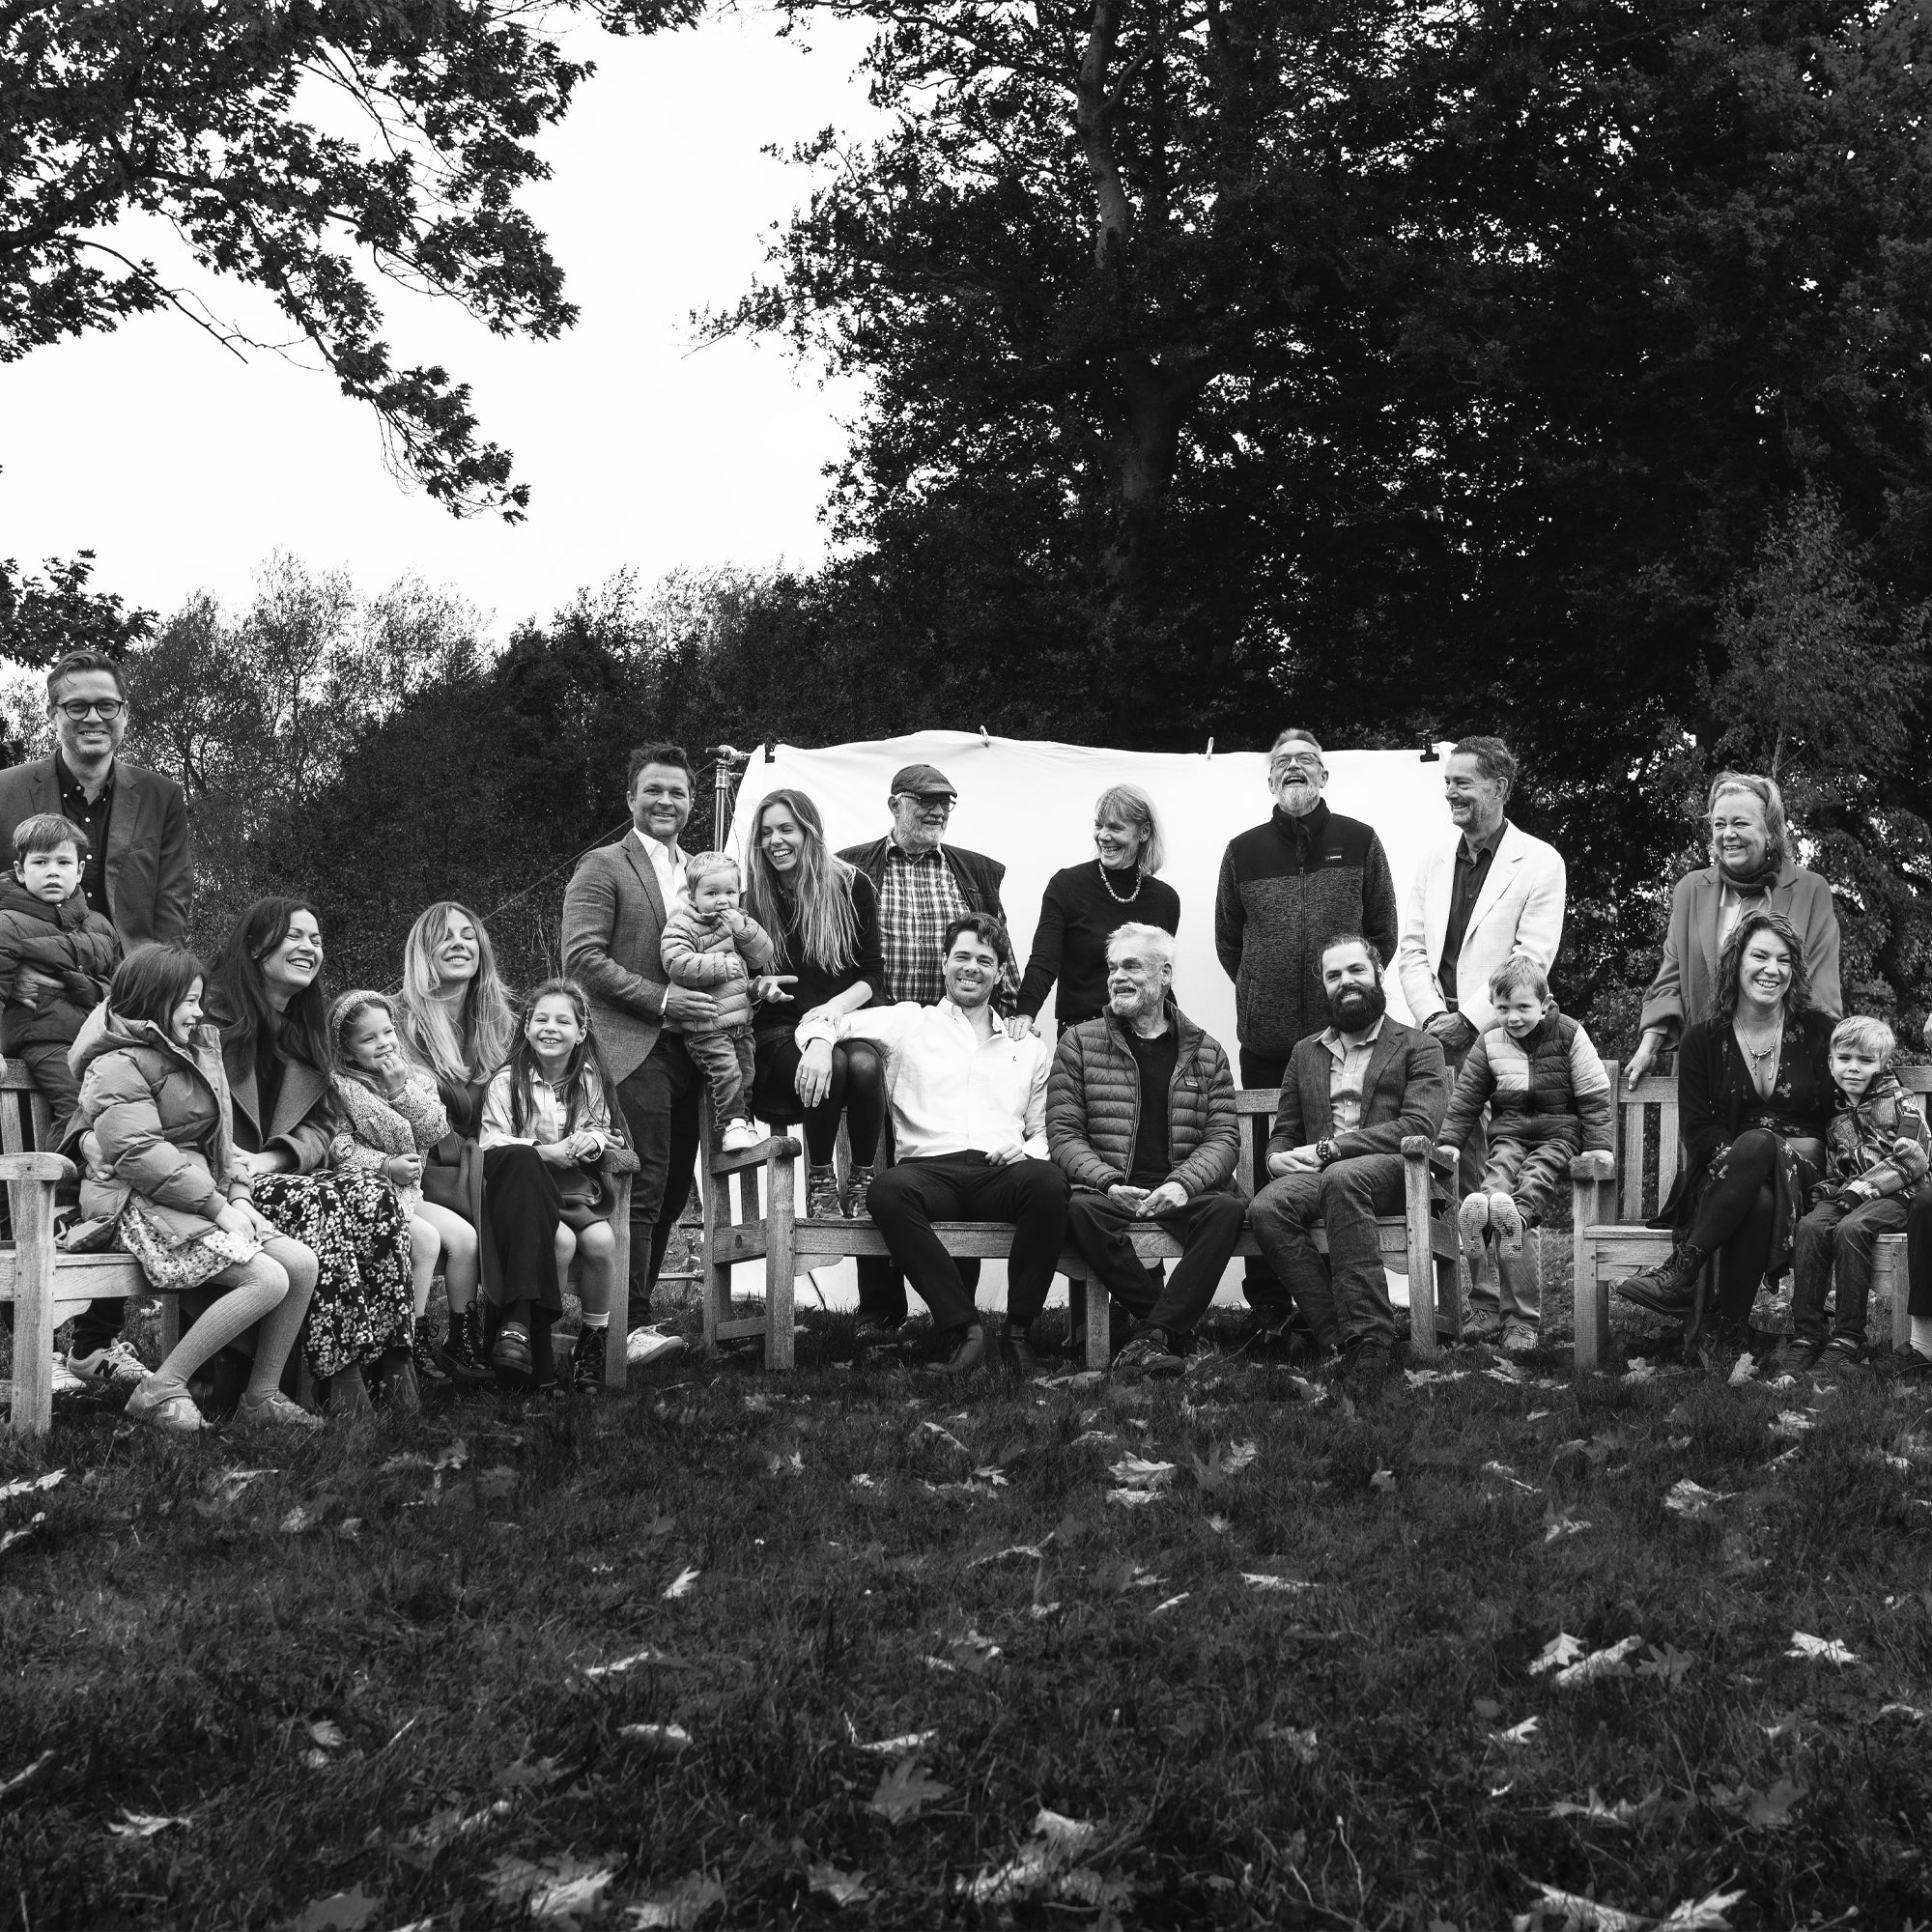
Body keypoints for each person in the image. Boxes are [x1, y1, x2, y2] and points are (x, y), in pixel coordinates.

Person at [0, 648, 192, 1394]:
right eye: (75, 705)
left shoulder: (160, 795)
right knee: (60, 1149)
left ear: (125, 715)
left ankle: (95, 1342)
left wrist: (149, 997)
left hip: (127, 1009)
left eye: (104, 705)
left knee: (134, 1151)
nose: (91, 717)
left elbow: (168, 904)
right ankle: (41, 1338)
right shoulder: (10, 789)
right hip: (33, 1010)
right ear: (52, 715)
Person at [797, 912, 1067, 1377]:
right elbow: (824, 1021)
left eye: (985, 960)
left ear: (1000, 972)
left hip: (999, 1172)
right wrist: (820, 1046)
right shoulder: (910, 1022)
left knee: (1048, 1182)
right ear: (944, 962)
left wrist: (1026, 1152)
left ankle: (1019, 1334)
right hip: (929, 1172)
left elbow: (1042, 1130)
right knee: (886, 1191)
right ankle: (967, 1332)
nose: (971, 967)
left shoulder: (1029, 1048)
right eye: (961, 956)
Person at [66, 944, 320, 1435]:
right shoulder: (115, 1064)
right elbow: (140, 1156)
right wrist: (220, 1207)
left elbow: (219, 1142)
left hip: (196, 1197)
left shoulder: (195, 1050)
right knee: (265, 1279)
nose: (199, 1011)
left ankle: (260, 1397)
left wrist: (241, 1196)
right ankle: (161, 1388)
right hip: (137, 1206)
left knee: (301, 1264)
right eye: (188, 1001)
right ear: (155, 1000)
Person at [1214, 729, 1400, 1335]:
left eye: (1306, 762)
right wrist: (1259, 988)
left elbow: (1382, 933)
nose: (1294, 770)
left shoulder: (1360, 841)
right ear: (1269, 780)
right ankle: (1269, 1299)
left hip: (1341, 1041)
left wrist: (1344, 1001)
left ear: (1325, 776)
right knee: (1271, 1161)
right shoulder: (1241, 852)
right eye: (1282, 763)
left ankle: (1335, 1295)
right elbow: (1228, 942)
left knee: (1340, 1155)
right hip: (1266, 1044)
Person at [208, 897, 418, 1416]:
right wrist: (239, 1164)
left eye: (317, 939)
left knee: (372, 1190)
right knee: (322, 1202)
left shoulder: (304, 1032)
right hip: (215, 1183)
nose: (309, 948)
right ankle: (341, 1377)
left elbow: (321, 1126)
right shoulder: (209, 1019)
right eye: (295, 936)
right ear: (256, 946)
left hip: (272, 1174)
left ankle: (394, 1361)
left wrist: (272, 1159)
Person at [1396, 735, 1567, 1332]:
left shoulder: (1540, 861)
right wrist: (1430, 1020)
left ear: (1497, 787)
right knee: (1465, 1174)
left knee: (1511, 1169)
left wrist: (1467, 1017)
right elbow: (1411, 949)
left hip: (1508, 1034)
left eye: (1462, 782)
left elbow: (1532, 957)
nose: (1450, 793)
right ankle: (1483, 1304)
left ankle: (1522, 1315)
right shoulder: (1433, 860)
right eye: (1447, 783)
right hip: (1437, 1040)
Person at [1613, 910, 1834, 1370]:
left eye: (1784, 960)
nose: (1772, 969)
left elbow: (1839, 1111)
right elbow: (1697, 1127)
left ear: (1794, 971)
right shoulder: (1702, 1040)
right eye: (1760, 955)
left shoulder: (1818, 1032)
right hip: (1724, 1176)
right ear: (1736, 961)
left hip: (1808, 1180)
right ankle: (1730, 1331)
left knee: (1759, 1143)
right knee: (1757, 1190)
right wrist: (1741, 1160)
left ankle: (1683, 1272)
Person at [838, 763, 1008, 1346]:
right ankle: (879, 1310)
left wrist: (1005, 1018)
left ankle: (952, 1313)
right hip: (877, 1039)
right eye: (926, 802)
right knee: (875, 1170)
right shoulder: (851, 866)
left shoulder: (973, 871)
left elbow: (992, 946)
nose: (938, 812)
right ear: (894, 804)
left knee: (961, 1155)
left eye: (946, 804)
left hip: (952, 1039)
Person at [1245, 935, 1449, 1394]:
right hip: (1323, 1173)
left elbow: (1417, 1126)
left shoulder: (1419, 1046)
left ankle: (1372, 1335)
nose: (1345, 982)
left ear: (1377, 972)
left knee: (1342, 1176)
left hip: (1397, 1171)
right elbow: (1286, 1129)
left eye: (1355, 970)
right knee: (1265, 1208)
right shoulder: (1306, 1052)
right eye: (1333, 975)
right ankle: (1338, 1337)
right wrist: (1276, 1159)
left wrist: (1333, 1150)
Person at [1047, 923, 1244, 1377]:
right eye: (1113, 967)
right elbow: (1064, 1133)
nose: (1118, 976)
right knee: (1076, 1212)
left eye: (1132, 965)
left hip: (1182, 1192)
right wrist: (1108, 1182)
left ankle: (1151, 1334)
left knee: (1227, 1213)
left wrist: (1181, 1184)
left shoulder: (1206, 1051)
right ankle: (1169, 1330)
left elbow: (1223, 1138)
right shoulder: (1079, 1042)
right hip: (1110, 1192)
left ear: (1165, 974)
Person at [562, 743, 707, 1328]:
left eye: (677, 791)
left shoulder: (702, 871)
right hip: (631, 1044)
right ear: (630, 799)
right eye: (654, 789)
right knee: (641, 1180)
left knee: (675, 1186)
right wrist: (662, 998)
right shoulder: (604, 865)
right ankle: (627, 1323)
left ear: (692, 802)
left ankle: (633, 1310)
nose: (666, 800)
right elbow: (582, 958)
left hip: (695, 1048)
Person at [1435, 956, 1612, 1355]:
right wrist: (1449, 1140)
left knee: (1532, 1180)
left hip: (1557, 1135)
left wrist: (1599, 1145)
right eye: (1502, 1009)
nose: (1512, 1018)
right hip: (1510, 1133)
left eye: (1522, 1008)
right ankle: (1484, 1238)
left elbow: (1594, 1096)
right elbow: (1466, 1098)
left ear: (1545, 1003)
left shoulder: (1569, 1034)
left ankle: (1517, 1234)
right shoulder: (1490, 1041)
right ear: (1492, 1007)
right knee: (1492, 1187)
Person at [1626, 772, 1842, 1085]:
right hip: (1704, 1077)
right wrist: (1649, 1045)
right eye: (1719, 824)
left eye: (1740, 823)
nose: (1728, 834)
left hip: (1779, 1079)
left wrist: (1804, 1073)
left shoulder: (1811, 890)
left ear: (1770, 831)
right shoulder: (1689, 890)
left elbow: (1821, 995)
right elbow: (1670, 981)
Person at [479, 980, 633, 1395]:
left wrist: (593, 1140)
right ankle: (536, 1344)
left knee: (601, 1242)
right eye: (541, 1018)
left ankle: (593, 1340)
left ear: (580, 1032)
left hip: (576, 1188)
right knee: (560, 1243)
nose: (551, 1028)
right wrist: (544, 1151)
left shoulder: (589, 1079)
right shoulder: (507, 1082)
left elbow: (603, 1127)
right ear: (526, 1026)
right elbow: (491, 1142)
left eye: (563, 1021)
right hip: (530, 1192)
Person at [328, 989, 487, 1387]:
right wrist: (383, 1165)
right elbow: (336, 1146)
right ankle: (408, 1342)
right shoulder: (339, 1086)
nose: (384, 1043)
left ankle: (462, 1340)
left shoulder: (414, 1078)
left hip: (410, 1196)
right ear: (347, 1050)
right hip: (367, 1196)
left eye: (387, 1032)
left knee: (466, 1240)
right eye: (369, 1038)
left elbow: (435, 1130)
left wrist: (402, 1091)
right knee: (427, 1241)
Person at [743, 789, 887, 1221]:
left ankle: (862, 1182)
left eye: (787, 829)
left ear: (810, 833)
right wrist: (757, 988)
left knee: (864, 1064)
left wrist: (830, 1014)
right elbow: (735, 981)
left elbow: (872, 975)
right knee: (838, 1066)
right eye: (766, 832)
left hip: (843, 1022)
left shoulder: (851, 885)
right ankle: (821, 1181)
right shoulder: (751, 899)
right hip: (779, 1032)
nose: (775, 841)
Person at [392, 899, 518, 1377]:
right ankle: (448, 1339)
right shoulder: (399, 1022)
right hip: (421, 1167)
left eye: (468, 935)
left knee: (519, 1195)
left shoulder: (501, 1022)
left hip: (482, 1160)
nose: (460, 943)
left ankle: (495, 1335)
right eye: (445, 936)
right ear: (424, 951)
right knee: (471, 1228)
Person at [1776, 1016, 1928, 1376]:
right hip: (1851, 1197)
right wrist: (1825, 1191)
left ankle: (1847, 1339)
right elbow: (1838, 1173)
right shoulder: (1837, 1116)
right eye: (1845, 1059)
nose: (1853, 1069)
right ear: (1831, 1063)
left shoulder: (1901, 1101)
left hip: (1902, 1195)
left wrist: (1859, 1191)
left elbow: (1912, 1156)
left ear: (1883, 1065)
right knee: (1811, 1227)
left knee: (1851, 1229)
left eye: (1865, 1060)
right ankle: (1808, 1335)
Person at [1017, 785, 1181, 1034]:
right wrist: (1024, 1014)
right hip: (1084, 1035)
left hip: (1148, 1034)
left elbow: (1160, 979)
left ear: (1144, 832)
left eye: (1115, 828)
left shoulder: (1166, 900)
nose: (1103, 836)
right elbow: (1044, 960)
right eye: (1099, 825)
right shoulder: (1066, 886)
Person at [0, 813, 122, 1134]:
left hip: (97, 1040)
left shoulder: (99, 925)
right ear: (20, 871)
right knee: (81, 1109)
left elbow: (123, 990)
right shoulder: (7, 923)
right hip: (42, 1039)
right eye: (40, 862)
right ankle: (65, 1182)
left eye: (64, 863)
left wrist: (85, 987)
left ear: (79, 871)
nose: (53, 871)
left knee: (127, 1105)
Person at [659, 851, 780, 1154]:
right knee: (725, 1073)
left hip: (740, 1022)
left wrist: (742, 927)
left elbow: (762, 955)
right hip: (707, 1024)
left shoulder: (738, 922)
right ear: (692, 895)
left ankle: (743, 1122)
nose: (722, 900)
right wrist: (722, 966)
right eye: (712, 893)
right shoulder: (681, 925)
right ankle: (730, 1125)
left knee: (747, 1074)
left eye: (729, 892)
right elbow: (676, 963)